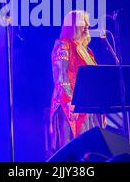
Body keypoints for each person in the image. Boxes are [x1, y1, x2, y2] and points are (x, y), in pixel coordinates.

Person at [48, 10, 105, 157]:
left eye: (87, 21)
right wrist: (69, 102)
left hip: (88, 106)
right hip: (72, 105)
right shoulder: (63, 45)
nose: (87, 25)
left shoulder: (88, 51)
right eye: (83, 21)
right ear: (72, 25)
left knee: (91, 151)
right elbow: (61, 76)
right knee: (73, 151)